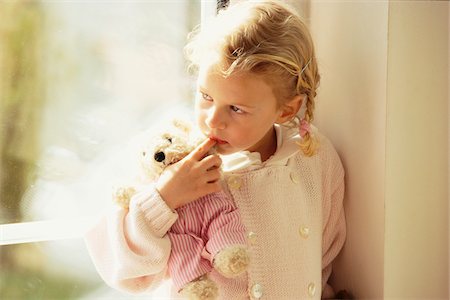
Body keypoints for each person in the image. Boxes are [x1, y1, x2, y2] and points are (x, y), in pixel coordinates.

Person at [85, 1, 346, 299]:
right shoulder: (176, 163)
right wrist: (165, 197)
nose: (213, 120)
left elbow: (323, 255)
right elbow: (124, 270)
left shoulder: (314, 158)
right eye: (206, 96)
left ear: (287, 110)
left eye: (236, 108)